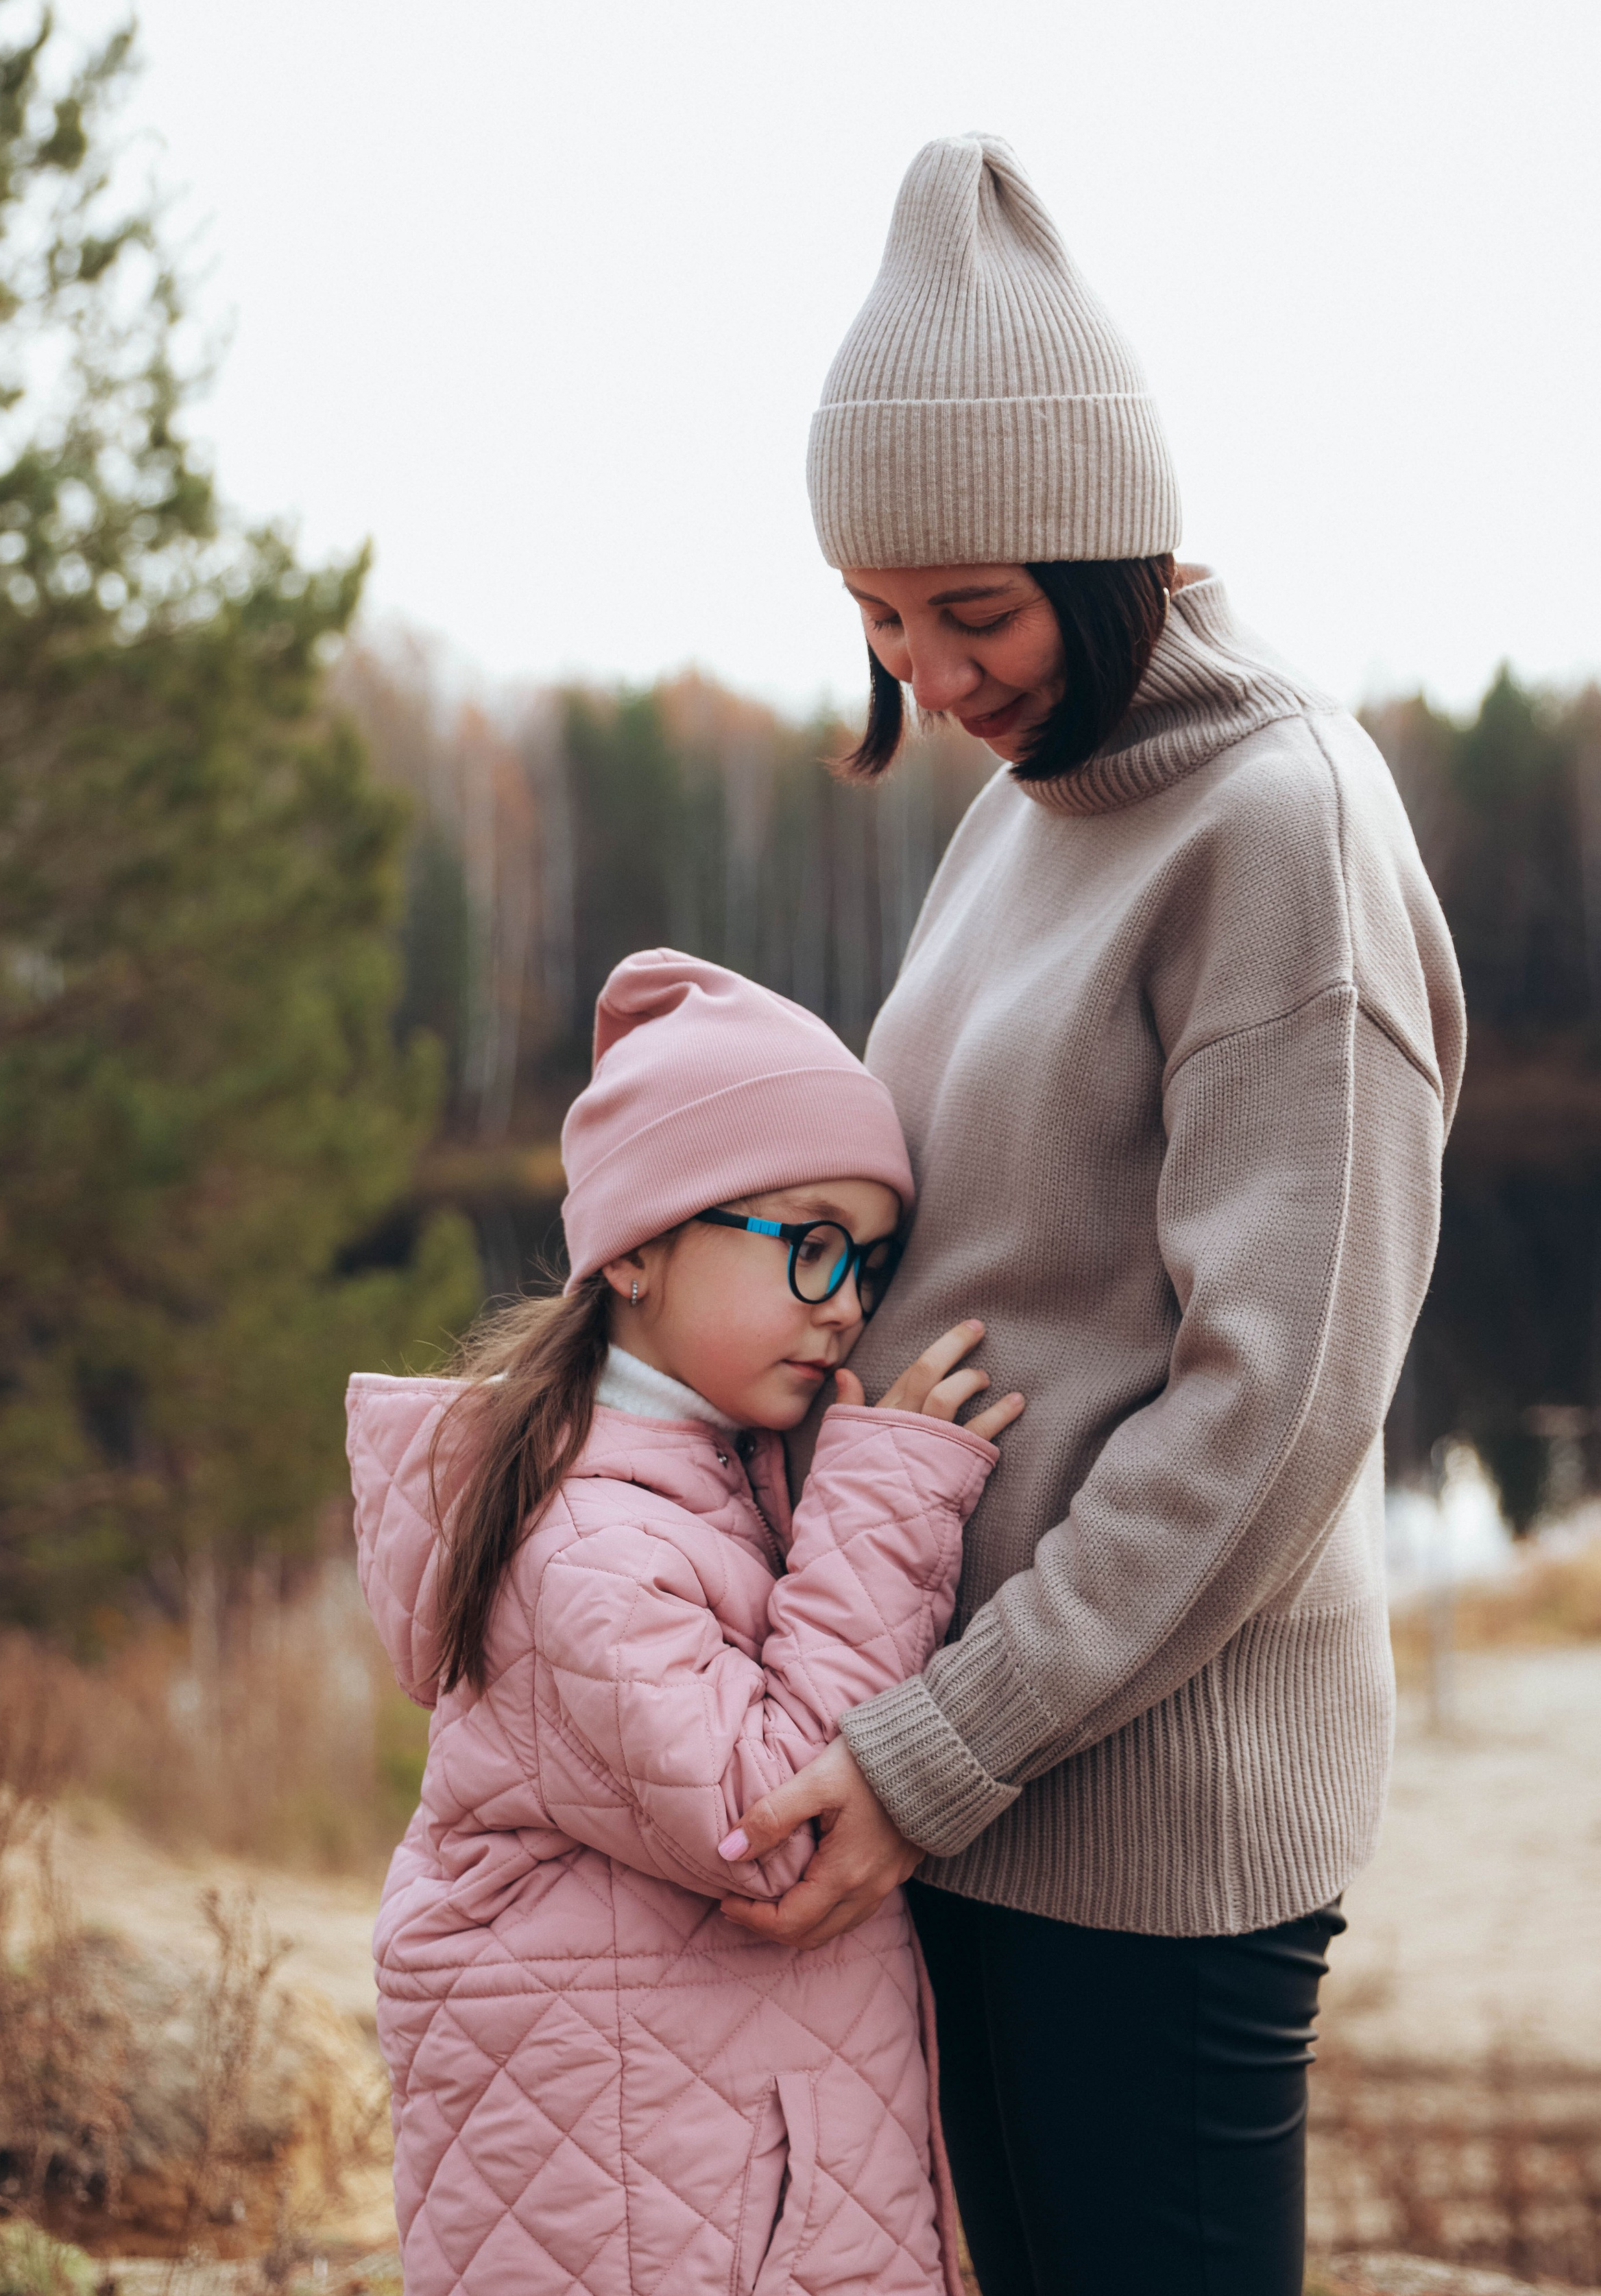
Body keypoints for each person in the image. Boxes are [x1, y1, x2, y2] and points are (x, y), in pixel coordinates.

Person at [719, 135, 1467, 2296]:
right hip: (964, 1770)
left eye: (977, 610)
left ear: (1119, 550)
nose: (930, 673)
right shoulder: (1029, 812)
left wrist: (938, 1748)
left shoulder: (1280, 828)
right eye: (878, 618)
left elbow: (1279, 1408)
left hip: (1146, 1831)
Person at [348, 950, 1025, 2296]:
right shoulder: (584, 1538)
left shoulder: (695, 1476)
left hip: (704, 2179)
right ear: (641, 1247)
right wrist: (881, 1500)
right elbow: (765, 1821)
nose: (843, 1301)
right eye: (807, 1242)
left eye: (868, 1262)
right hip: (662, 2220)